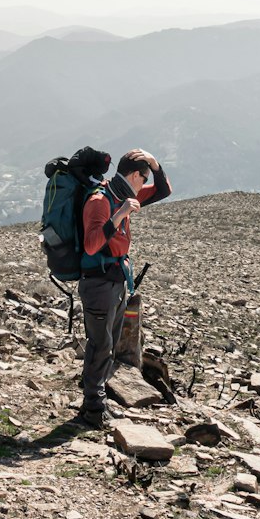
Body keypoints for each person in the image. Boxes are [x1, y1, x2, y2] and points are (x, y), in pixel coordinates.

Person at [77, 147, 172, 425]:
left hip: (116, 281)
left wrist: (154, 163)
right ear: (133, 176)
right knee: (100, 345)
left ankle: (96, 400)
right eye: (143, 178)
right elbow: (92, 245)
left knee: (108, 345)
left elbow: (164, 190)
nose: (145, 184)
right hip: (99, 282)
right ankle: (93, 409)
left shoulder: (124, 194)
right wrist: (118, 215)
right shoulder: (101, 200)